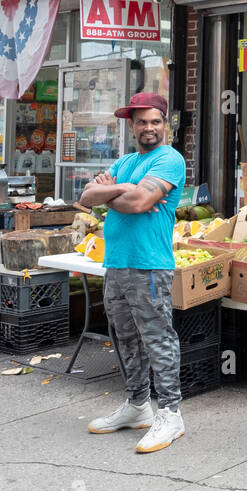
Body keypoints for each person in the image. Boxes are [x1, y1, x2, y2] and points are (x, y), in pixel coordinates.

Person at [78, 93, 188, 453]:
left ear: (165, 123)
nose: (149, 128)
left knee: (158, 338)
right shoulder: (126, 162)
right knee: (125, 337)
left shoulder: (169, 160)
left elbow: (140, 202)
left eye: (155, 121)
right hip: (116, 265)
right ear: (132, 126)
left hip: (150, 266)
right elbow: (86, 195)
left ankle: (170, 414)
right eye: (141, 122)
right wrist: (122, 189)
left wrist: (114, 193)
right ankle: (138, 405)